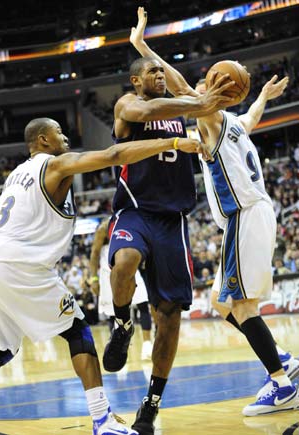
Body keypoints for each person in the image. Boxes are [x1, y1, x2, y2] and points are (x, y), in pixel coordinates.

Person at [130, 6, 299, 419]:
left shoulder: (213, 117)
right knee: (221, 304)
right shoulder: (237, 123)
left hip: (244, 215)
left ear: (215, 89)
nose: (198, 88)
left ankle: (280, 383)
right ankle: (283, 359)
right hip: (255, 215)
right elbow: (255, 114)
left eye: (206, 83)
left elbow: (182, 85)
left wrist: (141, 46)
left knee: (241, 306)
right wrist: (262, 96)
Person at [0, 117, 204, 435]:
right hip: (22, 266)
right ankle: (103, 420)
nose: (65, 137)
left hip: (4, 264)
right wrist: (173, 143)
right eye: (58, 132)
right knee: (78, 332)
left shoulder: (15, 176)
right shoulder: (54, 165)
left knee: (4, 349)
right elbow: (112, 156)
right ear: (42, 140)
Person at [100, 12, 235, 435]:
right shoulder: (129, 104)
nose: (159, 75)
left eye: (162, 71)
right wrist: (197, 104)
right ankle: (122, 323)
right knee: (125, 261)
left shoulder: (180, 100)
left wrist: (146, 47)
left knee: (170, 316)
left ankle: (151, 404)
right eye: (151, 72)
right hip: (134, 211)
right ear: (135, 82)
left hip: (173, 220)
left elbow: (181, 90)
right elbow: (154, 107)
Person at [90, 219, 153, 361]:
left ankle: (147, 345)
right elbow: (94, 255)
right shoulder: (104, 228)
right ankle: (117, 349)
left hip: (129, 267)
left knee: (143, 304)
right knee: (114, 314)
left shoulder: (131, 221)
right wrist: (93, 279)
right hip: (108, 273)